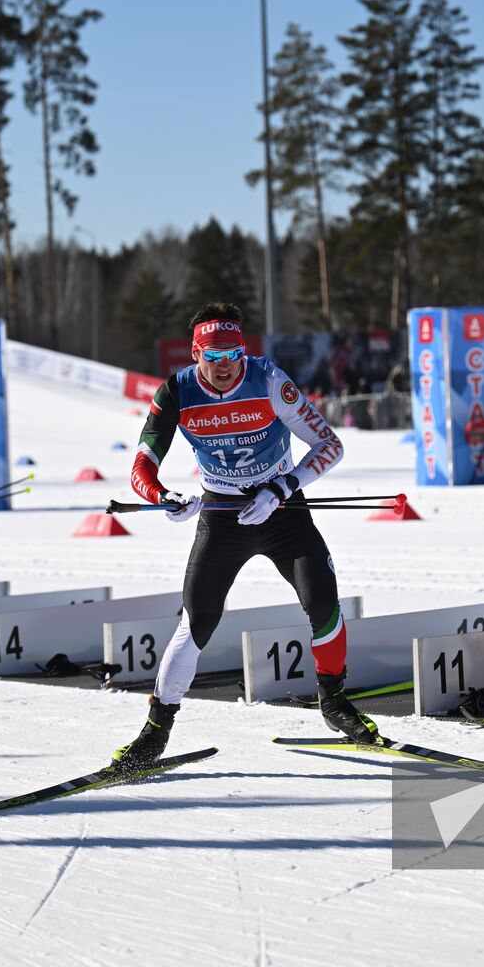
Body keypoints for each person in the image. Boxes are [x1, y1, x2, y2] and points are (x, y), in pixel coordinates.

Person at [118, 302, 371, 769]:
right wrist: (162, 496)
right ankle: (154, 732)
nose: (224, 365)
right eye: (212, 357)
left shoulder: (271, 381)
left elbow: (329, 445)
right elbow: (141, 466)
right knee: (197, 622)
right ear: (195, 354)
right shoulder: (176, 391)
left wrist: (282, 487)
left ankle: (334, 703)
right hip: (220, 515)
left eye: (233, 353)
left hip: (282, 511)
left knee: (324, 604)